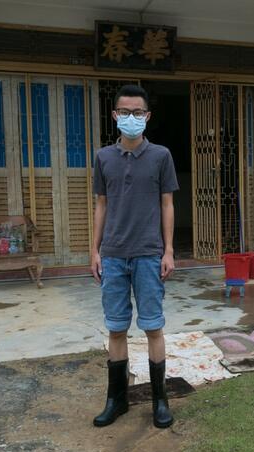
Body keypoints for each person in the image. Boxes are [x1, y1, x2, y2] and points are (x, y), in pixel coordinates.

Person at [91, 84, 179, 429]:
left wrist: (168, 250)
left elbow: (167, 204)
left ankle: (160, 401)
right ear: (114, 116)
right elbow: (101, 205)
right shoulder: (103, 158)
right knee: (116, 329)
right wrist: (95, 250)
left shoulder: (161, 156)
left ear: (147, 116)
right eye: (125, 112)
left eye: (137, 112)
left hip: (148, 255)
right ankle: (117, 400)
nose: (131, 118)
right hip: (112, 255)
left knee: (153, 327)